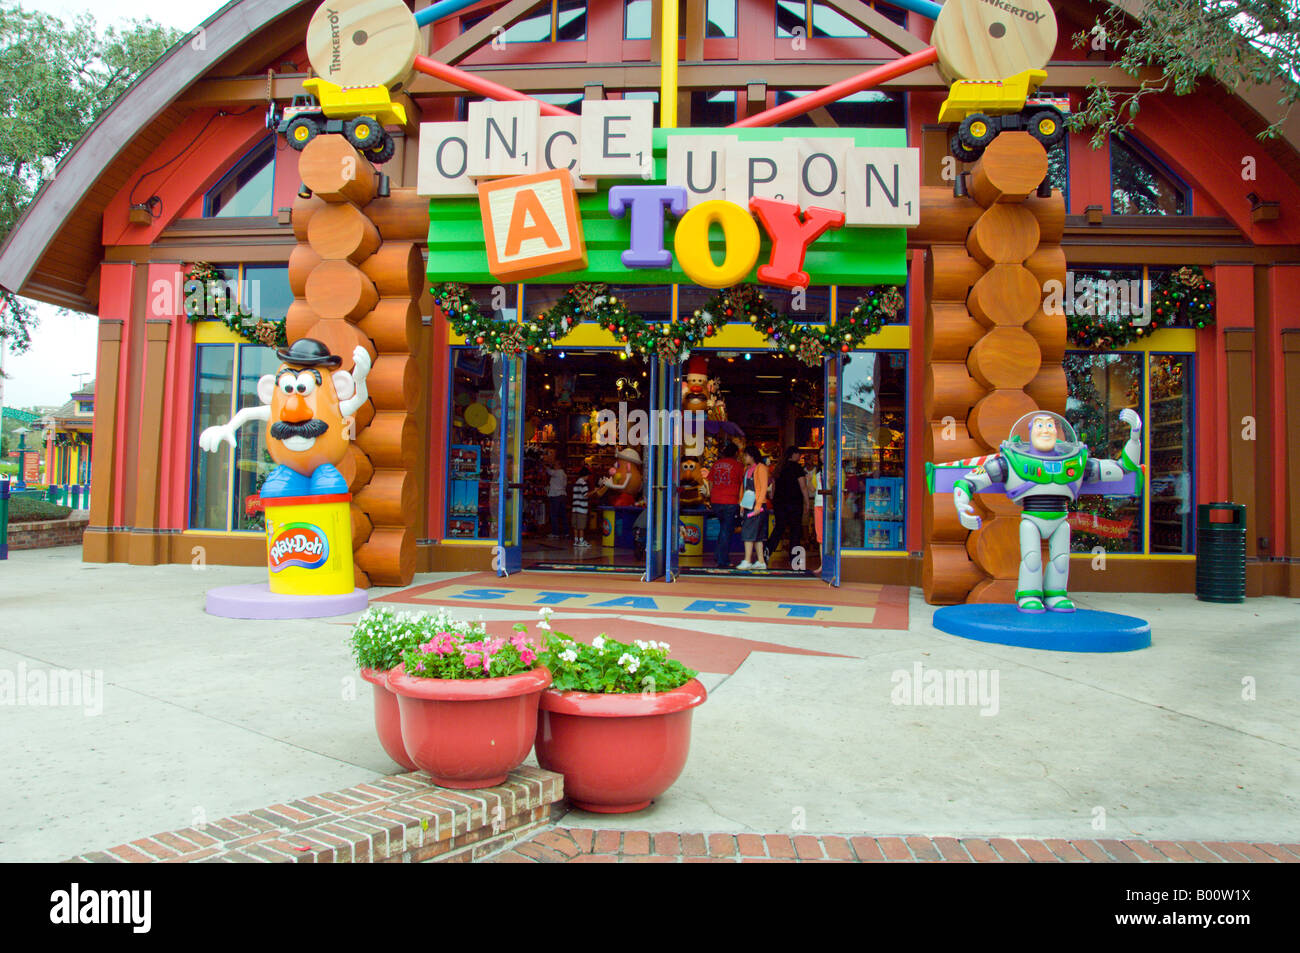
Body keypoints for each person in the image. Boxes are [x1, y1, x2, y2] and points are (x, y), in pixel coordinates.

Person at [767, 447, 809, 566]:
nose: (799, 456)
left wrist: (773, 500)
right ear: (793, 454)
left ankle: (767, 551)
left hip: (779, 503)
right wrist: (807, 502)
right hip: (794, 503)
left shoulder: (779, 467)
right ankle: (794, 559)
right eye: (798, 454)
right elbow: (803, 487)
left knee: (779, 528)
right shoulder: (797, 468)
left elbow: (773, 488)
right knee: (795, 530)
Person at [707, 442, 743, 569]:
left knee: (723, 529)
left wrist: (711, 497)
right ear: (735, 453)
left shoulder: (716, 464)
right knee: (726, 531)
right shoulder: (738, 466)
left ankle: (718, 554)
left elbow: (710, 482)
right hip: (730, 501)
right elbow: (741, 484)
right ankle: (723, 560)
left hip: (716, 500)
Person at [738, 445, 770, 571]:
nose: (744, 458)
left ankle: (747, 559)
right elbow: (744, 487)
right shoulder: (747, 469)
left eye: (745, 455)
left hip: (757, 505)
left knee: (748, 532)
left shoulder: (761, 468)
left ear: (752, 456)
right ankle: (761, 561)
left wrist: (758, 505)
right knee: (757, 535)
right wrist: (741, 504)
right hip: (748, 504)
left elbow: (763, 488)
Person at [543, 450, 567, 538]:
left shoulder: (558, 472)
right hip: (562, 495)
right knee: (563, 515)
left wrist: (544, 465)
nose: (554, 466)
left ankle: (555, 532)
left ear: (559, 465)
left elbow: (549, 471)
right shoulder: (564, 474)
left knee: (554, 514)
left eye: (555, 464)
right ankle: (565, 532)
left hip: (555, 495)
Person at [571, 465, 591, 549]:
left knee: (575, 526)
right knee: (581, 526)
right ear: (585, 475)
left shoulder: (576, 483)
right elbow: (585, 494)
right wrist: (594, 491)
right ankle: (581, 540)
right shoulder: (583, 483)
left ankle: (576, 540)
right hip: (581, 508)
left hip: (575, 508)